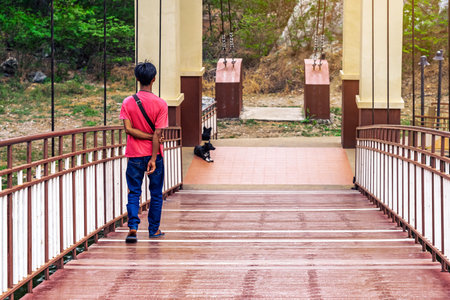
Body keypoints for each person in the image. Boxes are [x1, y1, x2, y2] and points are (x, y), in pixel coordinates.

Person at [119, 62, 168, 243]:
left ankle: (133, 226)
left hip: (134, 155)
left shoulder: (127, 102)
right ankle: (153, 230)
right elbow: (157, 134)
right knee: (155, 193)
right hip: (155, 155)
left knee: (134, 192)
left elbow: (129, 130)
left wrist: (146, 137)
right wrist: (154, 158)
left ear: (137, 79)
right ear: (154, 79)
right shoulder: (161, 104)